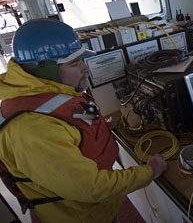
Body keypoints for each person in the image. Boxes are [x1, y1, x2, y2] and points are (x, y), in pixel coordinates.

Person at [0, 19, 167, 223]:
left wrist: (106, 125)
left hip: (100, 207)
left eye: (82, 59)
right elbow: (92, 188)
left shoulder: (49, 90)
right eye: (74, 62)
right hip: (79, 216)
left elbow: (75, 120)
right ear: (46, 70)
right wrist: (150, 171)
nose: (85, 68)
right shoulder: (31, 129)